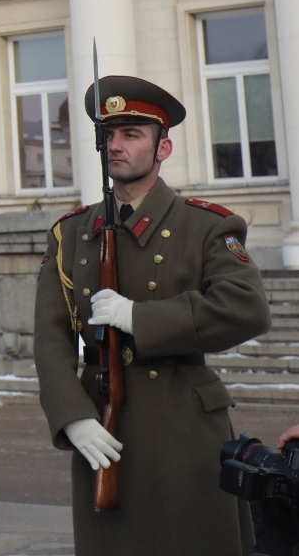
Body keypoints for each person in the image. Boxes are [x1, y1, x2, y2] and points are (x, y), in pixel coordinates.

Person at [33, 76, 272, 555]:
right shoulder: (71, 233)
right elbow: (51, 338)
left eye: (131, 135)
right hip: (103, 425)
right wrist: (71, 415)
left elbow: (247, 308)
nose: (115, 146)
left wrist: (140, 318)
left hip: (182, 426)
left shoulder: (204, 225)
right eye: (108, 136)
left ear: (164, 147)